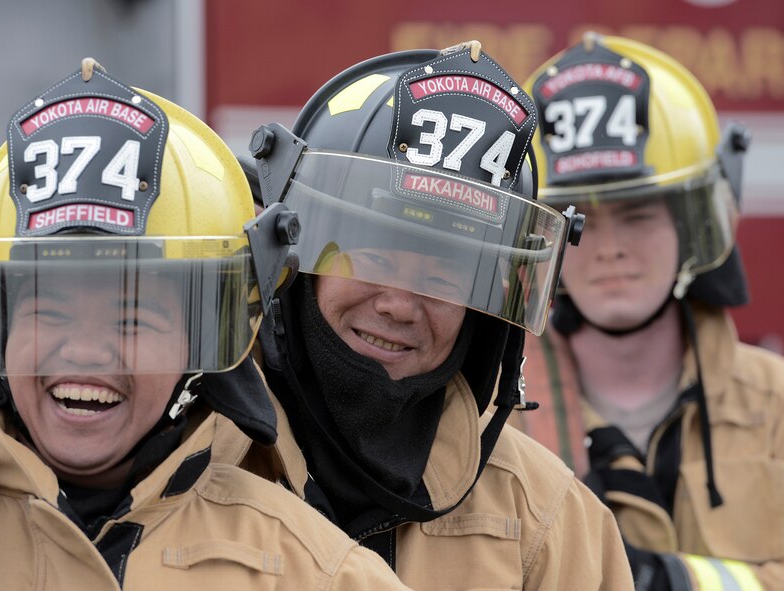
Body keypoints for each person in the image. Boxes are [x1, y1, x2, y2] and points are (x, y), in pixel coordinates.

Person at [0, 59, 414, 590]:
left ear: (200, 345)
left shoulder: (319, 574)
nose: (84, 351)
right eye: (49, 311)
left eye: (132, 319)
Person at [215, 41, 634, 589]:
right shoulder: (194, 462)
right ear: (295, 260)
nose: (399, 303)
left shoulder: (548, 520)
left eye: (444, 276)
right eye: (373, 256)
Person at [511, 33, 784, 590]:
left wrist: (667, 581)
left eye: (638, 215)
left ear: (690, 228)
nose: (610, 247)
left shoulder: (777, 405)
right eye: (579, 223)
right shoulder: (495, 415)